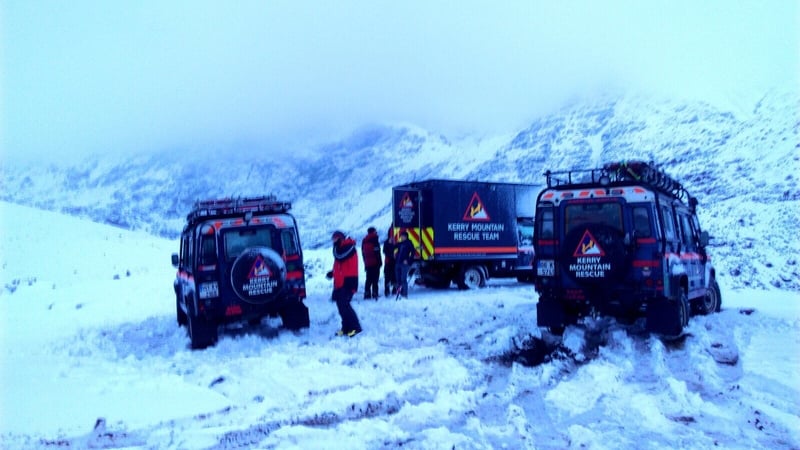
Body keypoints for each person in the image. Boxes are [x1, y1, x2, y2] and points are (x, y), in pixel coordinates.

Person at [326, 231, 362, 337]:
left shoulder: (349, 247)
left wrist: (335, 249)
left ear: (340, 239)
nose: (333, 242)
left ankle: (355, 327)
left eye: (335, 240)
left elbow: (340, 257)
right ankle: (346, 327)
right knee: (340, 306)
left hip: (348, 281)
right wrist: (333, 273)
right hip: (339, 281)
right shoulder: (341, 248)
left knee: (345, 305)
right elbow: (340, 264)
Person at [361, 226, 382, 300]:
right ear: (373, 232)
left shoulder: (364, 240)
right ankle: (375, 293)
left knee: (368, 279)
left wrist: (365, 261)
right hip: (375, 262)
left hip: (367, 263)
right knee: (375, 279)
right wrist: (380, 262)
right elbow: (377, 252)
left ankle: (367, 293)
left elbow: (363, 252)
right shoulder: (375, 239)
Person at [393, 230, 415, 299]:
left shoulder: (409, 243)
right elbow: (393, 247)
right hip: (398, 263)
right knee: (398, 279)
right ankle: (399, 292)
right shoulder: (400, 243)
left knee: (403, 279)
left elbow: (413, 253)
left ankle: (405, 294)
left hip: (404, 264)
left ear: (405, 237)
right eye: (401, 236)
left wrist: (408, 260)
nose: (401, 237)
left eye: (402, 236)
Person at [382, 227, 396, 297]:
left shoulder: (388, 242)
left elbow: (384, 251)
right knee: (390, 276)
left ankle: (392, 289)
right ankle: (388, 290)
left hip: (391, 262)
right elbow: (384, 251)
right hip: (390, 261)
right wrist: (392, 255)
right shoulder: (388, 242)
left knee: (391, 276)